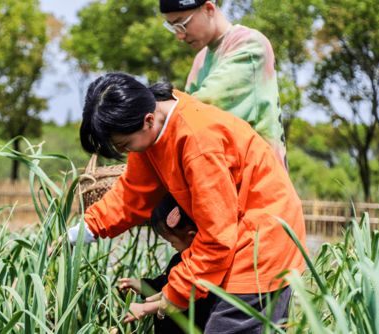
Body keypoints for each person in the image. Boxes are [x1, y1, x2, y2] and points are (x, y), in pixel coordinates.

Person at [68, 72, 307, 333]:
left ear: (148, 120)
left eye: (125, 145)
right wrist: (80, 234)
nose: (127, 153)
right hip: (232, 235)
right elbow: (133, 191)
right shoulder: (152, 132)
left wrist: (177, 292)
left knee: (224, 327)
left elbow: (217, 237)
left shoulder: (198, 141)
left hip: (263, 241)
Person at [159, 0, 287, 168]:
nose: (180, 35)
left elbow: (200, 107)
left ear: (208, 9)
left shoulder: (249, 45)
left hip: (261, 178)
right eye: (173, 27)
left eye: (182, 24)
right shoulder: (201, 60)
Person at [119, 193, 215, 332]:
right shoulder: (178, 259)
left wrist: (144, 309)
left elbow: (184, 299)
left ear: (191, 236)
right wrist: (142, 285)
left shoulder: (204, 267)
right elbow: (167, 285)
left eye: (172, 241)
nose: (171, 245)